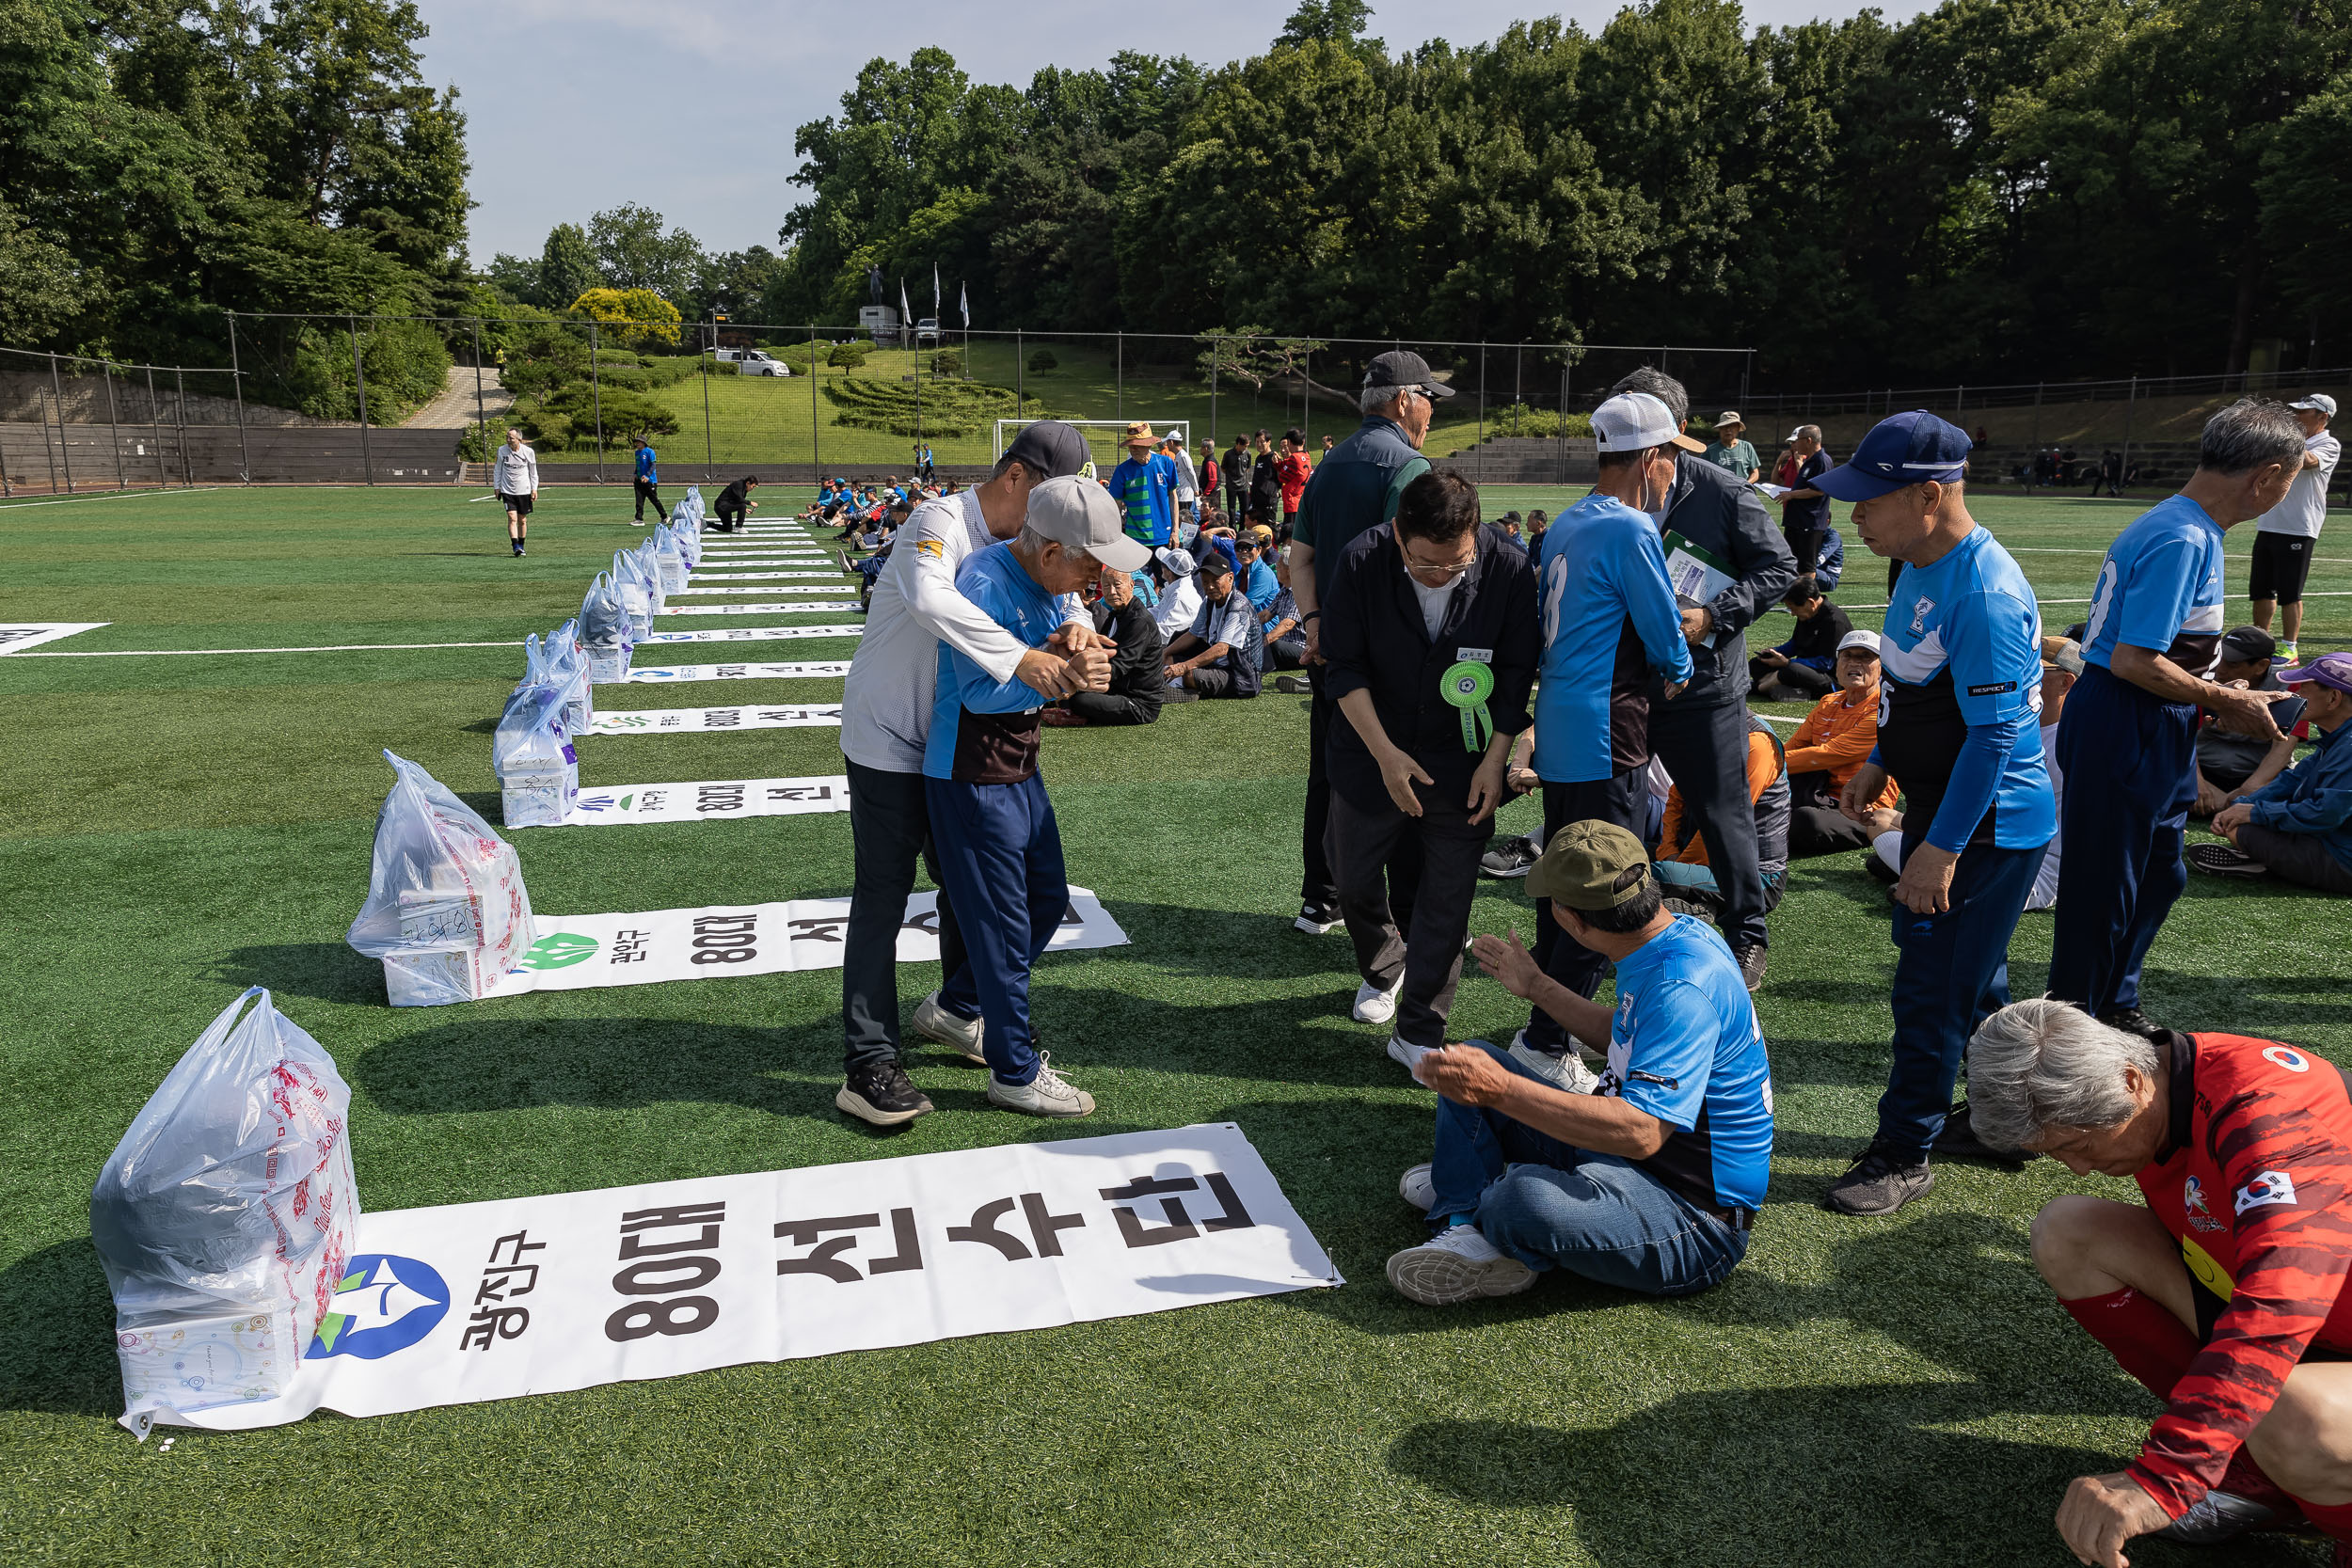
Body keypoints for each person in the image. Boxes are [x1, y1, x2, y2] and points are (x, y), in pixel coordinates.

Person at [1964, 1000, 2352, 1565]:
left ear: (2131, 1082)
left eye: (2078, 1145)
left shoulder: (2269, 1109)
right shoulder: (2160, 1081)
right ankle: (2252, 1469)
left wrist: (2169, 1473)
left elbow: (2281, 1304)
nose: (2079, 1167)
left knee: (2295, 1417)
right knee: (2069, 1230)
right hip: (2318, 1325)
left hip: (2300, 1317)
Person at [833, 421, 1106, 1128]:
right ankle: (869, 1060)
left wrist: (1075, 618)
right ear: (1016, 477)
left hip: (959, 749)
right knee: (884, 897)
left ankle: (960, 1010)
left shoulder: (1027, 539)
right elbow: (930, 597)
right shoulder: (940, 519)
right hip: (894, 736)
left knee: (972, 896)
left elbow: (1059, 580)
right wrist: (1020, 661)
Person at [1818, 410, 2054, 1216]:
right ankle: (2009, 1121)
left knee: (1932, 991)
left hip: (1984, 826)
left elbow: (1993, 741)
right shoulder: (1919, 561)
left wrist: (1940, 848)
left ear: (1929, 496)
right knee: (1974, 983)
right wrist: (1882, 758)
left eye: (1869, 500)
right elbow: (1918, 689)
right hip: (1942, 810)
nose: (1854, 514)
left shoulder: (1983, 592)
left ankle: (1903, 1150)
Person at [1384, 822, 1772, 1305]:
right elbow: (1629, 1034)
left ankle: (1484, 1211)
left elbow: (1642, 1132)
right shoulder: (1679, 936)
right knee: (1476, 1058)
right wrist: (1539, 987)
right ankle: (1464, 1221)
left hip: (1694, 1218)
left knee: (1519, 1197)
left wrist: (1500, 1090)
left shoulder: (1681, 989)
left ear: (1573, 921)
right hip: (1626, 1160)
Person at [2050, 399, 2305, 1034]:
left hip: (2150, 718)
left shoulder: (2189, 526)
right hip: (2125, 714)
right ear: (2267, 475)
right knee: (2104, 887)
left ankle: (2112, 1002)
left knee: (2158, 874)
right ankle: (2075, 1029)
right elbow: (2135, 660)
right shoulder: (2182, 535)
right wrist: (2226, 699)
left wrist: (2212, 694)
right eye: (2292, 479)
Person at [927, 476, 1151, 1118]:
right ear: (1049, 552)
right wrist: (1062, 683)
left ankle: (957, 1006)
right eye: (1090, 560)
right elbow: (975, 693)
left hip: (1017, 766)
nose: (1100, 574)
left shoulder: (1046, 577)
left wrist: (1078, 636)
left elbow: (1062, 621)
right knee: (1003, 928)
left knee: (1047, 897)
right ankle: (1014, 1070)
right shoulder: (985, 583)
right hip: (969, 774)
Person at [1320, 469, 1537, 1065]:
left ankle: (1419, 1031)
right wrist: (1387, 756)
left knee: (1448, 899)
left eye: (1456, 564)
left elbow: (1517, 673)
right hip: (1370, 751)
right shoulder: (1362, 559)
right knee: (1354, 876)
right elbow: (1343, 666)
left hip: (1464, 763)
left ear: (1475, 534)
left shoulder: (1510, 567)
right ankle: (1384, 964)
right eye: (1424, 565)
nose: (1441, 575)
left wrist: (1497, 760)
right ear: (1397, 533)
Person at [1515, 390, 1698, 1084]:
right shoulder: (1630, 528)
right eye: (1671, 458)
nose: (1672, 473)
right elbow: (1662, 628)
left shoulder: (1564, 522)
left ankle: (1550, 1024)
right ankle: (1544, 1040)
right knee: (1610, 889)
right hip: (1605, 728)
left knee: (1564, 881)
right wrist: (1679, 668)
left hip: (1564, 722)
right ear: (1651, 456)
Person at [1607, 367, 1797, 990]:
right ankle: (1618, 920)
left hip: (1704, 687)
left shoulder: (1725, 493)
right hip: (1628, 682)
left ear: (1678, 431)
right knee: (1622, 803)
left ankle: (1748, 933)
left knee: (1722, 812)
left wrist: (1714, 614)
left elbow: (1780, 569)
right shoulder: (1613, 488)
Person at [1289, 351, 1448, 936]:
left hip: (1329, 655)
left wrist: (1313, 625)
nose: (1432, 411)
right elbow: (1409, 572)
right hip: (1382, 665)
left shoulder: (1328, 464)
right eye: (1428, 397)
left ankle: (1319, 900)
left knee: (1327, 776)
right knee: (1394, 779)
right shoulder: (1408, 467)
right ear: (1405, 399)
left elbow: (1299, 558)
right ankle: (1396, 919)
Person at [2198, 651, 2352, 893]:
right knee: (2243, 821)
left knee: (2241, 830)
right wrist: (2242, 805)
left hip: (2344, 861)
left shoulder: (2348, 745)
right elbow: (2293, 780)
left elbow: (2325, 814)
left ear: (2333, 698)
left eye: (2304, 688)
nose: (2296, 693)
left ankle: (2262, 864)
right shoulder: (2339, 738)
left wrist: (2253, 813)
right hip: (2333, 840)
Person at [1653, 714, 1789, 919]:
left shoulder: (1757, 744)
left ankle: (1693, 900)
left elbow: (1725, 823)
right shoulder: (1697, 728)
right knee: (1627, 856)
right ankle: (1698, 903)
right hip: (1694, 854)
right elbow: (1676, 797)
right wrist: (1667, 851)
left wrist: (1676, 867)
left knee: (1650, 874)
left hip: (1755, 878)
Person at [1786, 630, 1899, 858]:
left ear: (1882, 668)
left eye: (1865, 657)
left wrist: (1761, 761)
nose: (1854, 663)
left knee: (1806, 821)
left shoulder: (1884, 709)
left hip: (1862, 808)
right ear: (1837, 666)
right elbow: (1792, 749)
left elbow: (1829, 754)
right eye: (1847, 656)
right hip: (1815, 791)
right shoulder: (1829, 702)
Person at [2249, 393, 2340, 662]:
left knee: (2290, 591)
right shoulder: (2290, 442)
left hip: (2299, 527)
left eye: (2304, 412)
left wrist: (2282, 438)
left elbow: (2309, 461)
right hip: (2269, 521)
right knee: (2261, 589)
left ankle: (2290, 647)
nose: (2297, 416)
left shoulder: (2328, 443)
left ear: (2322, 417)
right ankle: (2260, 642)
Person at [2193, 626, 2306, 813]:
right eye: (2220, 659)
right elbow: (2182, 737)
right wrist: (2196, 784)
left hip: (2259, 777)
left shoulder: (2288, 685)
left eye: (2233, 664)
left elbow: (2284, 747)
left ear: (2261, 666)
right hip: (2203, 773)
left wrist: (2248, 790)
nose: (2221, 669)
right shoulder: (2203, 676)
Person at [1043, 568, 1166, 729]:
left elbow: (1119, 667)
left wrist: (1078, 682)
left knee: (1076, 699)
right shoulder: (1115, 614)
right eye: (1106, 586)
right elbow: (1100, 653)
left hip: (1140, 702)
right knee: (1057, 690)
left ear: (1131, 585)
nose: (1112, 591)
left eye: (1117, 585)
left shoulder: (1139, 621)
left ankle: (1076, 711)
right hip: (1115, 689)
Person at [1162, 551, 1263, 699]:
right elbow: (1192, 634)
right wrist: (1165, 652)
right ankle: (1177, 685)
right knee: (1171, 656)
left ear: (1230, 577)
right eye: (1205, 581)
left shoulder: (1239, 607)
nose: (1209, 587)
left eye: (1215, 580)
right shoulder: (1208, 601)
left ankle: (1184, 691)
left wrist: (1184, 666)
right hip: (1218, 665)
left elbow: (1222, 649)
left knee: (1189, 673)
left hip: (1241, 677)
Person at [1748, 579, 1853, 699]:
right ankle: (1779, 686)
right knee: (1756, 663)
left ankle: (1759, 688)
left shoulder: (1835, 622)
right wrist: (1774, 652)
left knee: (1791, 670)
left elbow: (1826, 663)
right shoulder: (1807, 614)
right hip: (1804, 669)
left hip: (1830, 678)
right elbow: (1795, 644)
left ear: (1810, 602)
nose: (1792, 613)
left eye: (1793, 609)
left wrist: (1788, 662)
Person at [1106, 422, 1177, 552]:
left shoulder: (1166, 463)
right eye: (1130, 445)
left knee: (1165, 573)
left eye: (1137, 445)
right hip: (1135, 540)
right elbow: (1115, 506)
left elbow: (1173, 497)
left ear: (1149, 444)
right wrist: (1116, 535)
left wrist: (1175, 531)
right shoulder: (1122, 471)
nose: (1133, 449)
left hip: (1165, 538)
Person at [1780, 424, 1833, 580]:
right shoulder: (1810, 460)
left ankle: (1806, 600)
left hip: (1809, 523)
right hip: (1797, 521)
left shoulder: (1822, 461)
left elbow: (1819, 490)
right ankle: (1795, 599)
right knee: (1793, 564)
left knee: (1807, 568)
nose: (1795, 444)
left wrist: (1792, 495)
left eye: (1798, 440)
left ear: (1808, 440)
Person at [492, 427, 537, 557]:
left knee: (522, 520)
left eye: (511, 438)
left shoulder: (528, 452)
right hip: (507, 490)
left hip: (524, 490)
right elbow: (498, 469)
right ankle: (515, 546)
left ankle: (522, 545)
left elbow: (533, 472)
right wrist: (497, 487)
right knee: (512, 517)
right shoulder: (502, 450)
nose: (508, 440)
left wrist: (534, 488)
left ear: (519, 439)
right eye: (507, 437)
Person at [1263, 549, 1307, 672]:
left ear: (1289, 570)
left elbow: (1287, 624)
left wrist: (1264, 641)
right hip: (1285, 644)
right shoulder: (1284, 591)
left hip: (1300, 647)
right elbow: (1265, 615)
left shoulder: (1300, 591)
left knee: (1273, 644)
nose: (1276, 569)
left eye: (1279, 566)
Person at [1149, 545, 1201, 640]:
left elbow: (1165, 634)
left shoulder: (1180, 597)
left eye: (1162, 565)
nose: (1161, 568)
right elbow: (1157, 611)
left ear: (1169, 572)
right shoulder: (1175, 589)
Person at [1277, 427, 1313, 542]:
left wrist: (1279, 467)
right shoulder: (1306, 456)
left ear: (1290, 443)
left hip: (1291, 501)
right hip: (1300, 498)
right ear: (1303, 441)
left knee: (1289, 534)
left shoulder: (1294, 458)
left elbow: (1282, 476)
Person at [1706, 411, 1760, 483]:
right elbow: (1702, 473)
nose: (1728, 429)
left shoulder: (1747, 447)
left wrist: (1745, 485)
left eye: (1732, 426)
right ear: (1720, 429)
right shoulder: (1710, 450)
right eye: (1724, 426)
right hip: (1718, 493)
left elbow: (1755, 473)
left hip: (1742, 492)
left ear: (1738, 428)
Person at [1232, 530, 1279, 612]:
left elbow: (1243, 606)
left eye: (1249, 547)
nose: (1244, 551)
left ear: (1259, 550)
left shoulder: (1263, 574)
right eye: (1239, 548)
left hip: (1262, 624)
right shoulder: (1240, 574)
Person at [1165, 432, 1200, 535]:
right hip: (1180, 495)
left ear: (1171, 442)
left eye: (1167, 442)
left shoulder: (1183, 456)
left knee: (1185, 522)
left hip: (1185, 496)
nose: (1166, 445)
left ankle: (1187, 543)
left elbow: (1191, 473)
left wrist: (1196, 489)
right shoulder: (1178, 456)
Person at [631, 436, 661, 523]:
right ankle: (639, 519)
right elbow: (638, 465)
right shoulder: (637, 453)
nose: (637, 444)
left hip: (650, 481)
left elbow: (653, 465)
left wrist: (647, 476)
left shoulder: (650, 452)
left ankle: (664, 516)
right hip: (639, 481)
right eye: (636, 442)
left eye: (639, 442)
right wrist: (635, 473)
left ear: (643, 443)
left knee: (654, 500)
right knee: (639, 500)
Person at [1225, 434, 1252, 529]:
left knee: (1244, 508)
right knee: (1231, 509)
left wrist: (1241, 476)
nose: (1246, 448)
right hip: (1231, 486)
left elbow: (1247, 468)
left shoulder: (1248, 454)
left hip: (1243, 486)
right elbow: (1223, 468)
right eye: (1245, 446)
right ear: (1238, 444)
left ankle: (1242, 529)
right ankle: (1232, 529)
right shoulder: (1228, 454)